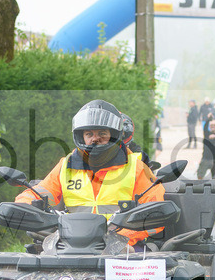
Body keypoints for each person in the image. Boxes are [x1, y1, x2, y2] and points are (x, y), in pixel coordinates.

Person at [15, 100, 165, 249]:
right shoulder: (66, 165)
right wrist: (24, 206)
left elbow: (155, 211)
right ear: (81, 137)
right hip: (70, 244)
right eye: (89, 134)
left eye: (102, 133)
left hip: (124, 246)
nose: (95, 138)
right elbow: (38, 193)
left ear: (114, 135)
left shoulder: (136, 167)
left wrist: (122, 238)